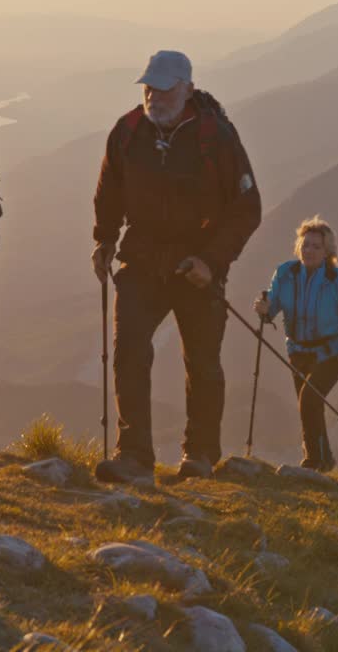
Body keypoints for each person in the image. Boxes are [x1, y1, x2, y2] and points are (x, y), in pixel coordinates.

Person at [92, 50, 262, 485]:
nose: (155, 96)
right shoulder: (128, 132)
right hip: (142, 258)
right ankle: (133, 456)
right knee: (130, 350)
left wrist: (212, 261)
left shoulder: (216, 138)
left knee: (202, 361)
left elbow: (247, 208)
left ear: (187, 88)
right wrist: (104, 240)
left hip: (198, 265)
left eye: (165, 88)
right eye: (150, 87)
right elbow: (109, 190)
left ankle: (200, 455)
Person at [253, 216, 338, 472]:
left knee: (309, 401)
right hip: (298, 351)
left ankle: (314, 461)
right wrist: (264, 308)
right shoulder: (285, 274)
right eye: (306, 245)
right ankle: (323, 460)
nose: (310, 250)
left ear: (328, 252)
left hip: (334, 351)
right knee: (309, 405)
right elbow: (272, 305)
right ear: (298, 247)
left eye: (317, 246)